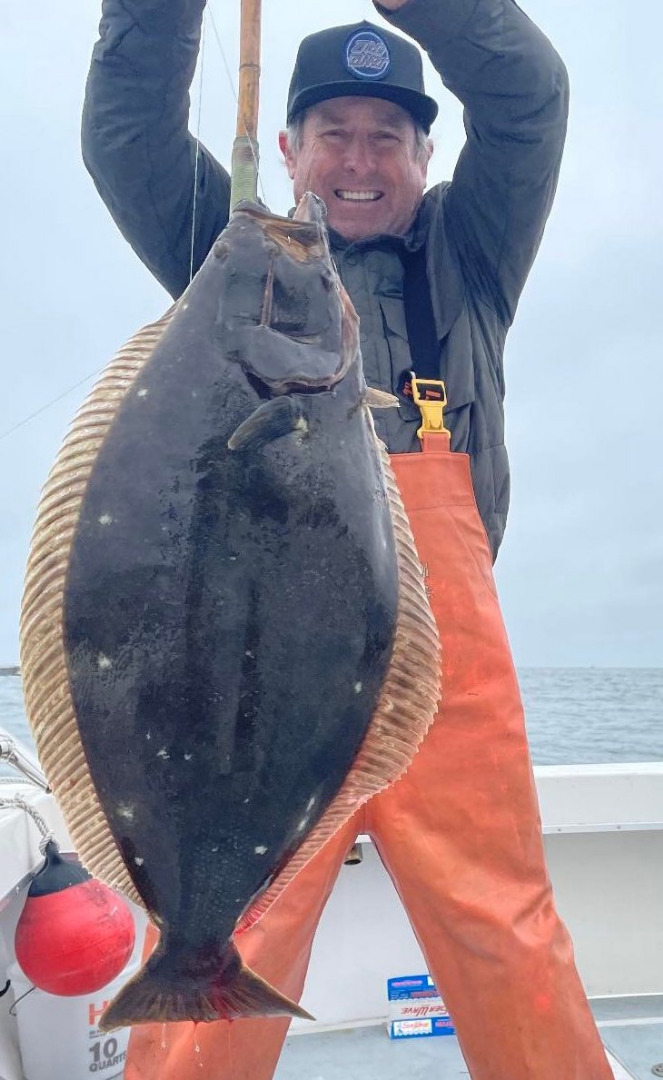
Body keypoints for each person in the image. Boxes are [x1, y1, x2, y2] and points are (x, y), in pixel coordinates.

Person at [82, 1, 615, 1077]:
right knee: (235, 932)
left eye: (389, 136)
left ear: (429, 154)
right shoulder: (223, 259)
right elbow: (131, 132)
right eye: (333, 133)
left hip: (441, 666)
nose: (359, 160)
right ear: (285, 152)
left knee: (501, 929)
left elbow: (530, 99)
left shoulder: (469, 253)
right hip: (260, 674)